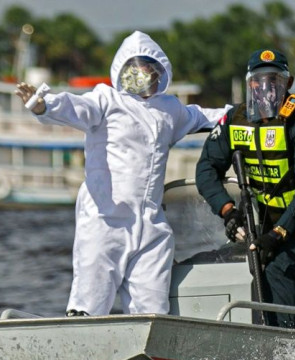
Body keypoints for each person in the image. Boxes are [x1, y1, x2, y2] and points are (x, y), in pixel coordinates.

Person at [15, 31, 227, 316]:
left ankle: (152, 353)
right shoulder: (106, 100)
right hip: (106, 220)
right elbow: (77, 106)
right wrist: (43, 105)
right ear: (121, 70)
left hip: (151, 224)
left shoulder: (169, 109)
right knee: (89, 301)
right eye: (134, 68)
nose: (141, 75)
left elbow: (206, 116)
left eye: (148, 68)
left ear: (159, 71)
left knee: (152, 309)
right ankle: (79, 343)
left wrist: (248, 111)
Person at [195, 48, 295, 328]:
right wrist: (228, 211)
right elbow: (205, 170)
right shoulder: (234, 120)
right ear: (249, 83)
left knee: (278, 268)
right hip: (263, 221)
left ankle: (286, 348)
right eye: (259, 80)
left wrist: (278, 234)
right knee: (227, 263)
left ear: (287, 83)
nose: (266, 88)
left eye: (274, 80)